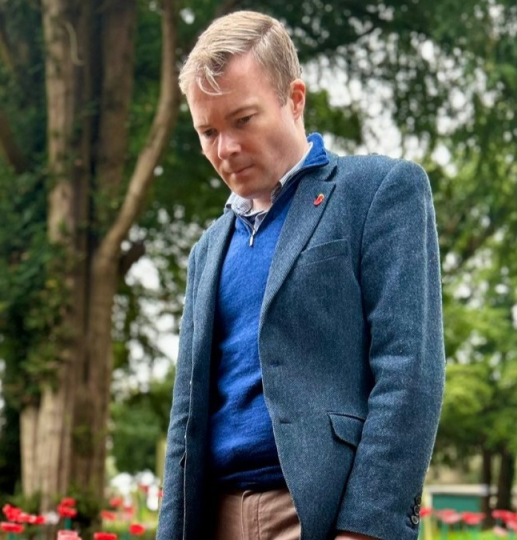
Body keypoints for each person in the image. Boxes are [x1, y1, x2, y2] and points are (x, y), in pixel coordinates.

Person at [157, 10, 445, 540]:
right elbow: (187, 413)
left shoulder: (378, 192)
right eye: (208, 131)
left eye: (243, 120)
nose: (225, 149)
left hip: (319, 514)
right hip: (212, 515)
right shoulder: (207, 249)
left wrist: (367, 527)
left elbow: (409, 371)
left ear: (294, 99)